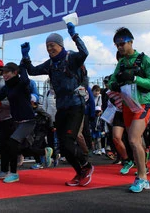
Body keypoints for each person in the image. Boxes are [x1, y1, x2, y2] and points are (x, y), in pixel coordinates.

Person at [21, 21, 94, 187]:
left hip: (76, 105)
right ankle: (79, 171)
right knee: (62, 144)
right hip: (61, 107)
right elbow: (32, 70)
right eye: (47, 46)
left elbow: (85, 52)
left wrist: (74, 35)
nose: (49, 49)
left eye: (52, 45)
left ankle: (86, 165)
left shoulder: (72, 58)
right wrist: (26, 56)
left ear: (60, 45)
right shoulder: (50, 64)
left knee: (68, 140)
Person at [107, 27, 150, 193]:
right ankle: (143, 174)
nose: (120, 47)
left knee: (134, 140)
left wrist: (135, 78)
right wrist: (114, 84)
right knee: (136, 141)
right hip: (127, 104)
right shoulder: (121, 63)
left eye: (122, 43)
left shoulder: (145, 60)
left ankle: (142, 176)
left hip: (143, 103)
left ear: (131, 42)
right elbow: (111, 81)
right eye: (117, 45)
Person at [0, 62, 53, 183]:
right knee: (19, 148)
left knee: (12, 143)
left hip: (28, 120)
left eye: (7, 72)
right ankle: (44, 151)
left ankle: (14, 173)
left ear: (15, 73)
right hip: (16, 121)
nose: (4, 74)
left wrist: (24, 60)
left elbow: (25, 79)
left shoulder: (21, 83)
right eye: (3, 72)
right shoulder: (7, 87)